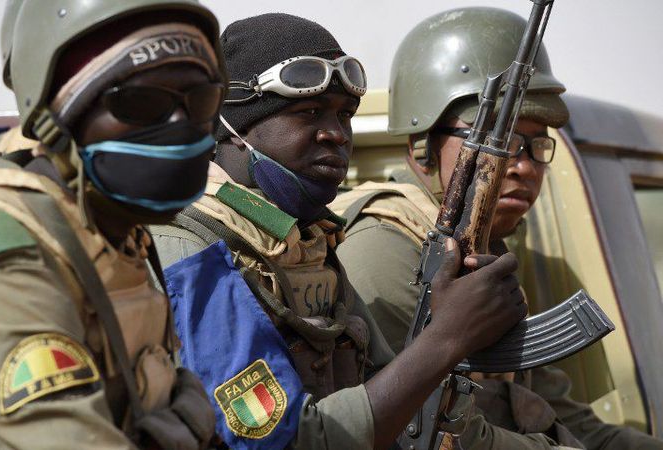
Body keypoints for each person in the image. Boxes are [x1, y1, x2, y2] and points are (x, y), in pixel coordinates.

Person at [150, 13, 527, 450]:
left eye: (345, 114)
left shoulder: (307, 243)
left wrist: (451, 319)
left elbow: (398, 409)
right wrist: (446, 339)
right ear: (235, 128)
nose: (336, 134)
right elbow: (279, 442)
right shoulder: (191, 251)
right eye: (309, 112)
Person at [332, 7, 663, 450]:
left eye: (537, 143)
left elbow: (561, 416)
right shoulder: (385, 252)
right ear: (420, 147)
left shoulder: (483, 249)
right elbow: (432, 435)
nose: (522, 165)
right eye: (499, 141)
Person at [0, 0, 228, 448]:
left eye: (201, 100)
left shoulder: (114, 234)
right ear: (57, 118)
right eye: (141, 102)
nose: (181, 125)